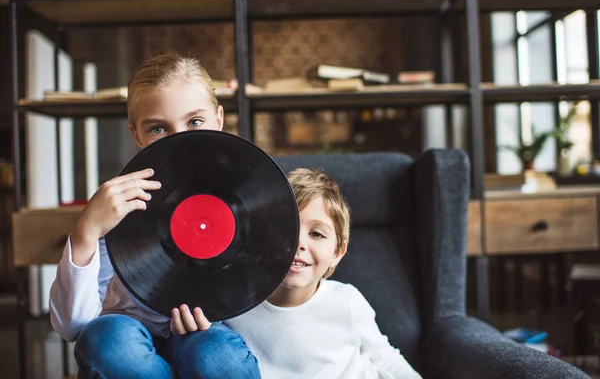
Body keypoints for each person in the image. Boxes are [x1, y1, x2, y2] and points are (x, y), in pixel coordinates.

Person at [49, 53, 260, 379]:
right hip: (127, 338)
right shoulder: (117, 203)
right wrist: (86, 231)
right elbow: (71, 326)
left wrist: (219, 314)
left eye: (194, 122)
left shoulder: (249, 195)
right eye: (158, 128)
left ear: (219, 120)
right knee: (107, 342)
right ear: (136, 134)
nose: (179, 139)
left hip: (203, 333)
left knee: (217, 357)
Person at [224, 168, 422, 379]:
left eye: (317, 234)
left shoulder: (347, 302)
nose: (298, 243)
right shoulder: (237, 306)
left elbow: (386, 359)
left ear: (337, 252)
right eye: (286, 229)